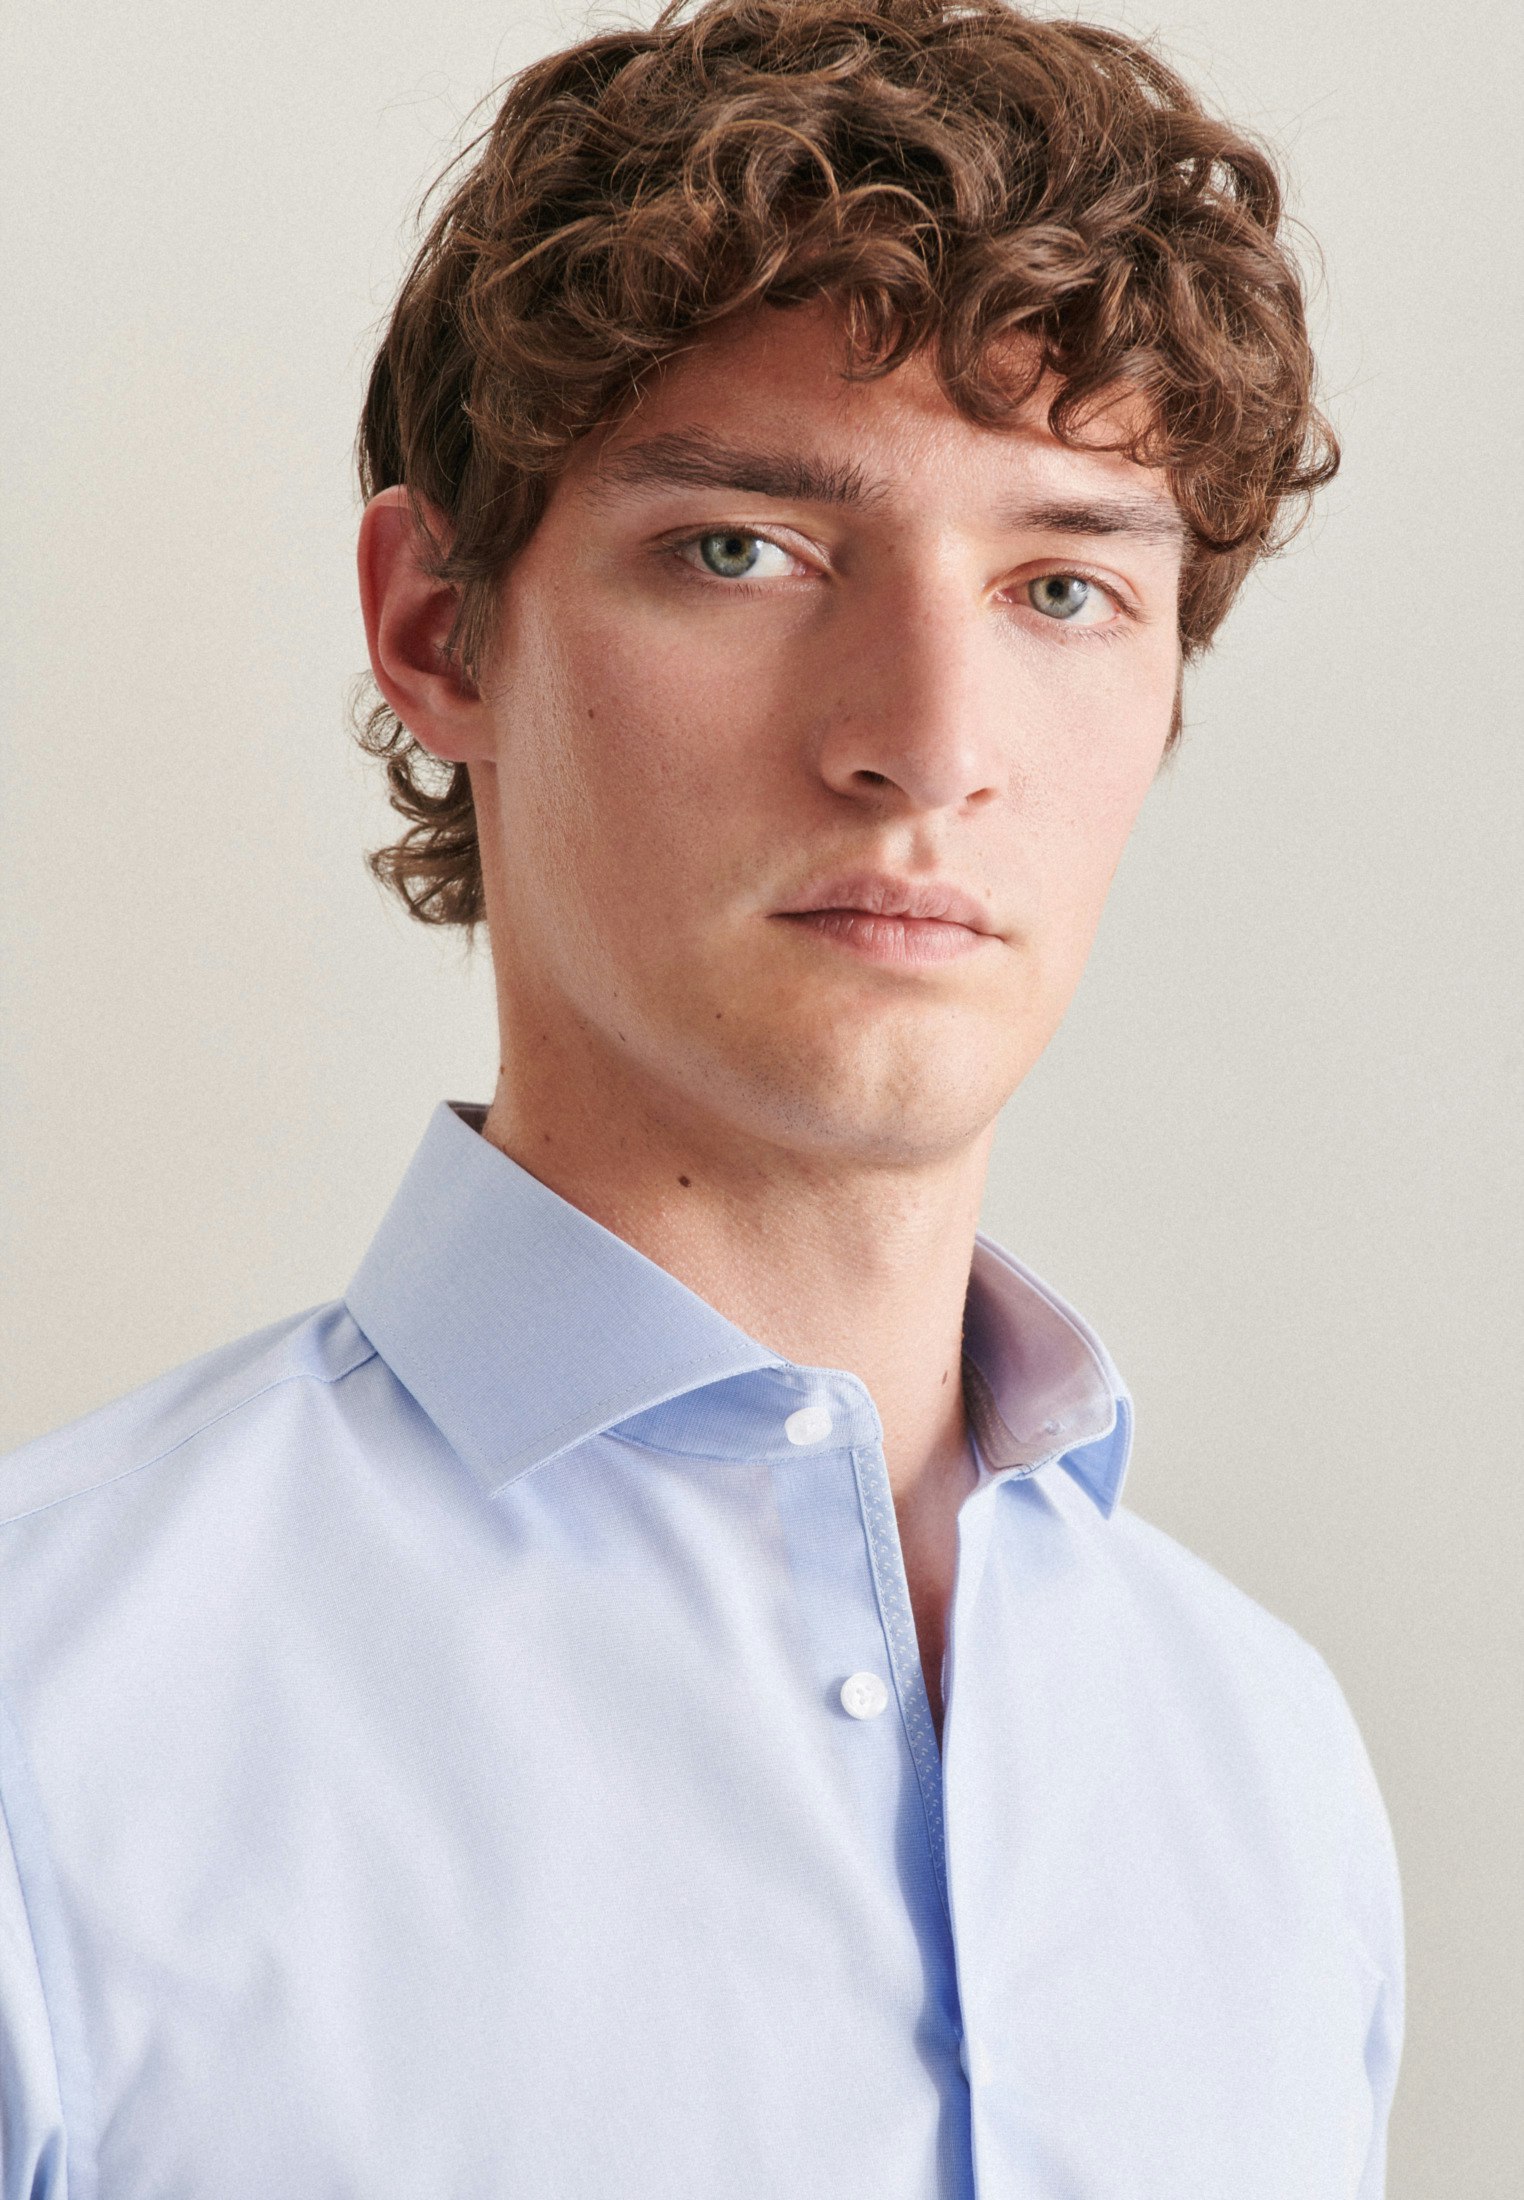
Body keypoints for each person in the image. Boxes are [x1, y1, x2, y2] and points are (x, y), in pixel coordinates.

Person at [0, 1, 1403, 2192]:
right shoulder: (47, 1725)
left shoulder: (1265, 1766)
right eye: (746, 548)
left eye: (1063, 585)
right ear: (441, 628)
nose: (927, 740)